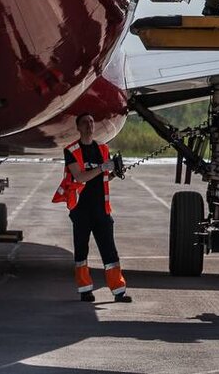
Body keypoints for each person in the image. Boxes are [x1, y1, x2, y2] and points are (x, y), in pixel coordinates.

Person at [51, 114, 131, 304]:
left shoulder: (103, 148)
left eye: (91, 122)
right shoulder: (71, 151)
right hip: (80, 210)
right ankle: (85, 290)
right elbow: (80, 177)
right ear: (78, 128)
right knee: (81, 251)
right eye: (85, 123)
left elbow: (102, 177)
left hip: (101, 209)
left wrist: (113, 173)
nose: (89, 125)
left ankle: (119, 291)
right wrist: (103, 167)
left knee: (110, 251)